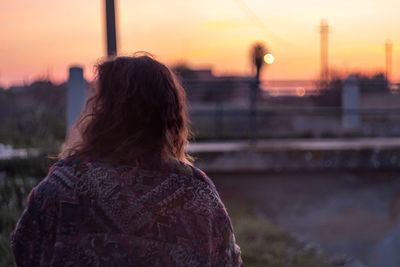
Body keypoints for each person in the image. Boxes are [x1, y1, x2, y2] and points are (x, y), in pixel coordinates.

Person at [11, 55, 242, 266]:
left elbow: (25, 249)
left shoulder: (62, 187)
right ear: (168, 116)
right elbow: (227, 261)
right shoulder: (196, 194)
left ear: (100, 112)